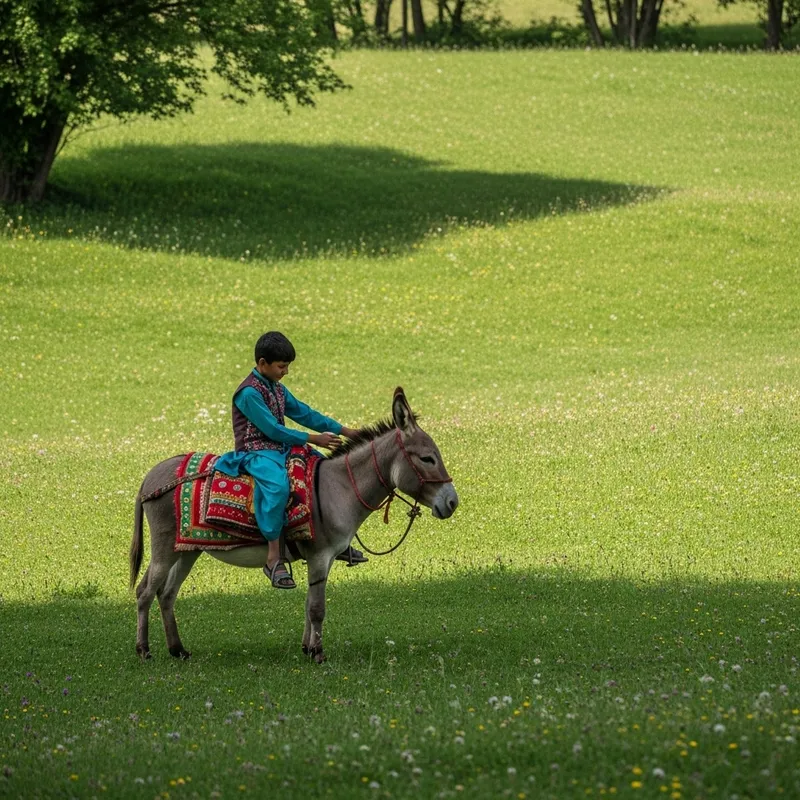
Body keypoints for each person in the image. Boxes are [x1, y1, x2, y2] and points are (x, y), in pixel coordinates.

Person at [215, 331, 366, 589]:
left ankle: (332, 538)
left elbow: (304, 413)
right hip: (256, 453)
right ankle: (273, 557)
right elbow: (272, 429)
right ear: (263, 364)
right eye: (281, 366)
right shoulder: (248, 394)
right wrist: (312, 439)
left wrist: (344, 430)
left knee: (322, 472)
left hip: (280, 449)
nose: (285, 371)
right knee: (278, 487)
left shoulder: (276, 388)